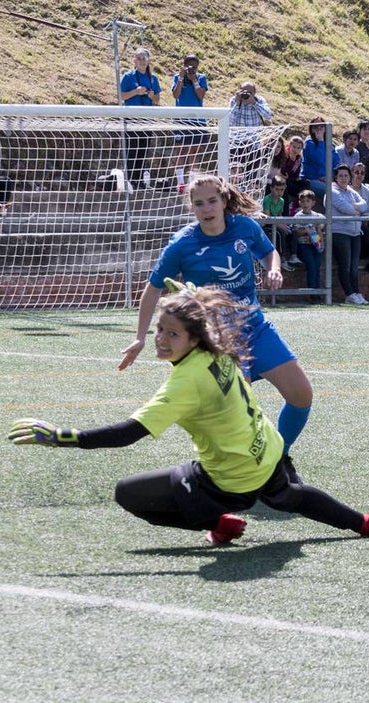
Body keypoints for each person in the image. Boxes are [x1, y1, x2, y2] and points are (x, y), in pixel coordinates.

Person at [11, 281, 369, 544]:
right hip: (269, 452)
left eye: (172, 333)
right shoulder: (219, 348)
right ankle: (365, 524)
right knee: (290, 496)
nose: (161, 338)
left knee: (128, 494)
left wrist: (63, 437)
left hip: (230, 479)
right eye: (160, 329)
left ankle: (218, 521)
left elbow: (130, 433)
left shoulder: (185, 383)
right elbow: (209, 317)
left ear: (194, 338)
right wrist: (189, 298)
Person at [118, 175, 313, 482]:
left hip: (256, 328)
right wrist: (140, 338)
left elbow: (267, 251)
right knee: (241, 416)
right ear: (192, 207)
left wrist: (273, 269)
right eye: (199, 203)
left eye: (212, 201)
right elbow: (152, 289)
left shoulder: (244, 227)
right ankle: (245, 476)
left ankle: (278, 457)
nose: (206, 208)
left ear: (223, 201)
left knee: (301, 395)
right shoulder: (183, 244)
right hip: (219, 342)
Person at [119, 48, 161, 191]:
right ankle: (129, 180)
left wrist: (150, 95)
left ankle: (139, 180)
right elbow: (121, 97)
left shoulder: (153, 78)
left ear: (148, 60)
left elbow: (157, 100)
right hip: (131, 119)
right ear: (134, 61)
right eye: (139, 58)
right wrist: (136, 92)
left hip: (146, 120)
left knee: (143, 151)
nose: (142, 61)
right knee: (132, 150)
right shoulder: (128, 76)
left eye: (144, 58)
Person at [328, 164, 369, 304]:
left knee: (353, 266)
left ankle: (357, 292)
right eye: (341, 176)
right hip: (340, 232)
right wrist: (356, 209)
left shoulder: (352, 191)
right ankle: (349, 293)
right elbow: (346, 209)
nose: (344, 178)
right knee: (344, 265)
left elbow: (364, 204)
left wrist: (355, 208)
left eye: (346, 175)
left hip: (355, 232)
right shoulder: (332, 192)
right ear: (335, 177)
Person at [170, 53, 209, 190]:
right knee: (180, 151)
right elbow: (176, 94)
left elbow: (200, 96)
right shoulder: (177, 77)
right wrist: (181, 77)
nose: (192, 69)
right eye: (189, 66)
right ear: (184, 66)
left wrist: (194, 80)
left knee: (194, 152)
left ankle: (193, 182)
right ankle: (180, 182)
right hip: (181, 120)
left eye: (195, 67)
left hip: (197, 120)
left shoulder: (201, 78)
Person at [291, 189, 325, 297]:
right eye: (303, 201)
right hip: (304, 246)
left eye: (308, 201)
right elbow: (296, 231)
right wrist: (306, 231)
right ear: (300, 203)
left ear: (313, 203)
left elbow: (320, 230)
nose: (305, 203)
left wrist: (321, 243)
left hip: (316, 246)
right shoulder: (298, 216)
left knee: (317, 267)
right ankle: (312, 294)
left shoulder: (317, 216)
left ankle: (317, 292)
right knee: (311, 267)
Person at [300, 118, 329, 203]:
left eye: (322, 126)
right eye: (316, 127)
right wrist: (320, 141)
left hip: (326, 179)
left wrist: (330, 177)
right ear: (311, 129)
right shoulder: (309, 143)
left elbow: (335, 162)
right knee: (332, 191)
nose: (319, 129)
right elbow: (318, 160)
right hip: (311, 179)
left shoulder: (328, 143)